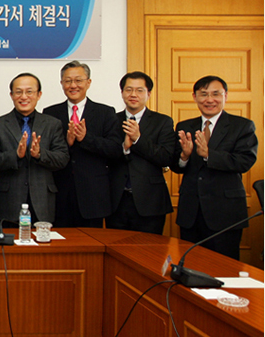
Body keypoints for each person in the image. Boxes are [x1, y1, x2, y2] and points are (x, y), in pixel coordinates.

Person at [171, 75, 258, 260]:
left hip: (225, 212)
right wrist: (184, 156)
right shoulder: (185, 126)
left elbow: (245, 161)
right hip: (191, 211)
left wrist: (209, 155)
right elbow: (176, 166)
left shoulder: (242, 126)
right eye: (203, 94)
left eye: (215, 94)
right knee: (190, 265)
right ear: (194, 97)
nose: (209, 100)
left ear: (225, 95)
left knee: (224, 267)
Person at [43, 60, 121, 228]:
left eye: (78, 80)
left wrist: (86, 139)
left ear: (88, 82)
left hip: (93, 195)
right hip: (59, 193)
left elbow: (115, 149)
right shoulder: (50, 113)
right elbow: (46, 152)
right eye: (68, 81)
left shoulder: (105, 112)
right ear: (61, 83)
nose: (73, 85)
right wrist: (67, 143)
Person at [0, 73, 69, 226]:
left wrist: (40, 155)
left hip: (43, 201)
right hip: (9, 202)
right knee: (8, 248)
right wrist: (16, 155)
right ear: (11, 95)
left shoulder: (53, 124)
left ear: (39, 95)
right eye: (18, 92)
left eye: (29, 91)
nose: (24, 96)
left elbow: (62, 158)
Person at [107, 72, 176, 234]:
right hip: (116, 199)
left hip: (150, 200)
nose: (133, 95)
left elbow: (166, 157)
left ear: (148, 93)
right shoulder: (111, 120)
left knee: (148, 252)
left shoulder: (163, 121)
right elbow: (104, 155)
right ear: (122, 92)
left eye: (139, 90)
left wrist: (138, 139)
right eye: (128, 90)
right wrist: (124, 148)